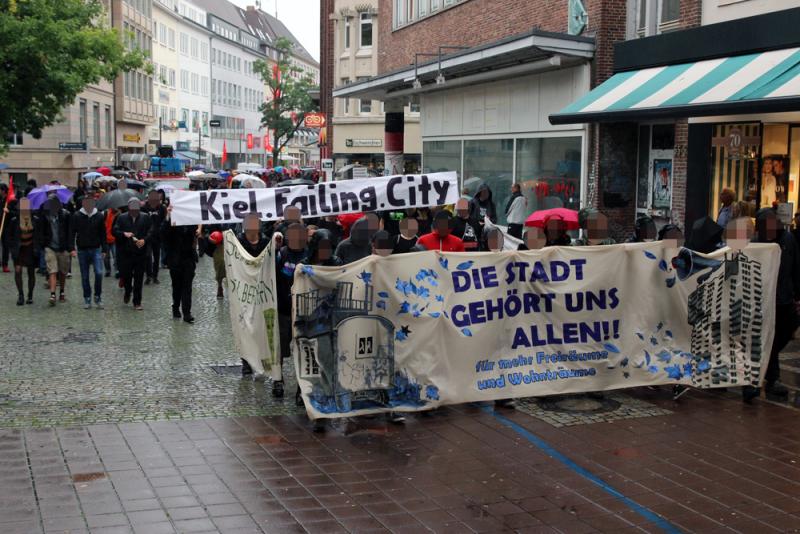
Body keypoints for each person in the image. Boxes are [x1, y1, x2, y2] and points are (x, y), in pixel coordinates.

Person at [743, 208, 798, 403]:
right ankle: (769, 378)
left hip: (785, 299)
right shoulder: (756, 243)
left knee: (778, 337)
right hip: (763, 301)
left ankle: (766, 375)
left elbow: (795, 266)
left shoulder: (788, 240)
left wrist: (796, 294)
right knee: (766, 338)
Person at [274, 222, 308, 398]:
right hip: (284, 309)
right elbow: (270, 271)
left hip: (305, 312)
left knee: (303, 349)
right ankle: (278, 380)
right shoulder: (281, 253)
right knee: (280, 346)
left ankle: (301, 388)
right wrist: (274, 250)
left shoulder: (310, 254)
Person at [236, 213, 271, 376]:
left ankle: (261, 358)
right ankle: (246, 361)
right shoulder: (237, 242)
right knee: (245, 326)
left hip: (263, 288)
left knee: (261, 325)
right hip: (243, 289)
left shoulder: (266, 241)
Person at [113, 198, 153, 310]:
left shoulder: (145, 217)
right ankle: (127, 291)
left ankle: (137, 301)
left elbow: (151, 231)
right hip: (125, 253)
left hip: (140, 253)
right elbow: (114, 231)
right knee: (126, 276)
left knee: (139, 278)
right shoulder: (121, 217)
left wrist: (144, 240)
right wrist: (123, 234)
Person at [69, 194, 108, 309]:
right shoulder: (77, 216)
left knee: (99, 273)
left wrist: (104, 249)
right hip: (82, 249)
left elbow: (103, 234)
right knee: (85, 276)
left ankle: (97, 296)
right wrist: (72, 248)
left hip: (96, 248)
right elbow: (72, 233)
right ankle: (87, 298)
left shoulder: (99, 216)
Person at [162, 207, 199, 323]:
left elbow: (196, 231)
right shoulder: (171, 222)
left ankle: (187, 313)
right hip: (175, 259)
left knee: (187, 287)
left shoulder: (191, 222)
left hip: (188, 258)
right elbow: (163, 233)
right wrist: (168, 216)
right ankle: (175, 307)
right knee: (177, 286)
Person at [38, 196, 71, 306]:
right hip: (50, 247)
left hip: (63, 247)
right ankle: (52, 294)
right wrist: (43, 244)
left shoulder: (65, 215)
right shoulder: (45, 215)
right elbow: (41, 230)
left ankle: (61, 291)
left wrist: (70, 248)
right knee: (52, 270)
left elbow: (69, 232)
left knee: (62, 272)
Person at [7, 198, 38, 305]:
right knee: (18, 271)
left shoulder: (34, 219)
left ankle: (30, 295)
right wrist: (12, 248)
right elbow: (10, 236)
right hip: (19, 249)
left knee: (31, 272)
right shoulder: (14, 220)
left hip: (30, 248)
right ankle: (20, 295)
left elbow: (38, 235)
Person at [141, 190, 166, 285]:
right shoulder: (144, 208)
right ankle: (148, 275)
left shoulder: (162, 208)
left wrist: (161, 229)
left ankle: (155, 276)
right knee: (147, 256)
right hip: (147, 236)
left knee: (156, 257)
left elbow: (164, 220)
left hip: (157, 236)